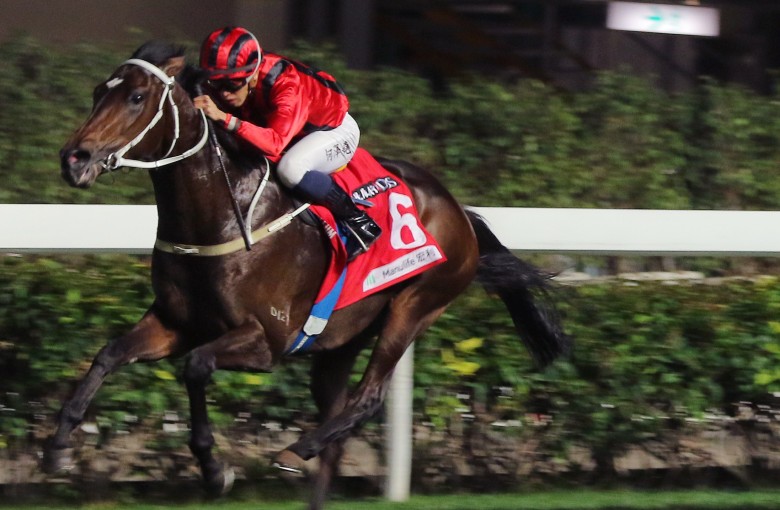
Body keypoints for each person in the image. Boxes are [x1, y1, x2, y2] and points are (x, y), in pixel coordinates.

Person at [194, 26, 381, 259]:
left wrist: (224, 118)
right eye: (216, 85)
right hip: (294, 133)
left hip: (334, 130)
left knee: (290, 169)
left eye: (231, 85)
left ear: (252, 74)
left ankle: (358, 220)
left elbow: (274, 144)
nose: (223, 94)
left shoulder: (286, 84)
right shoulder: (239, 80)